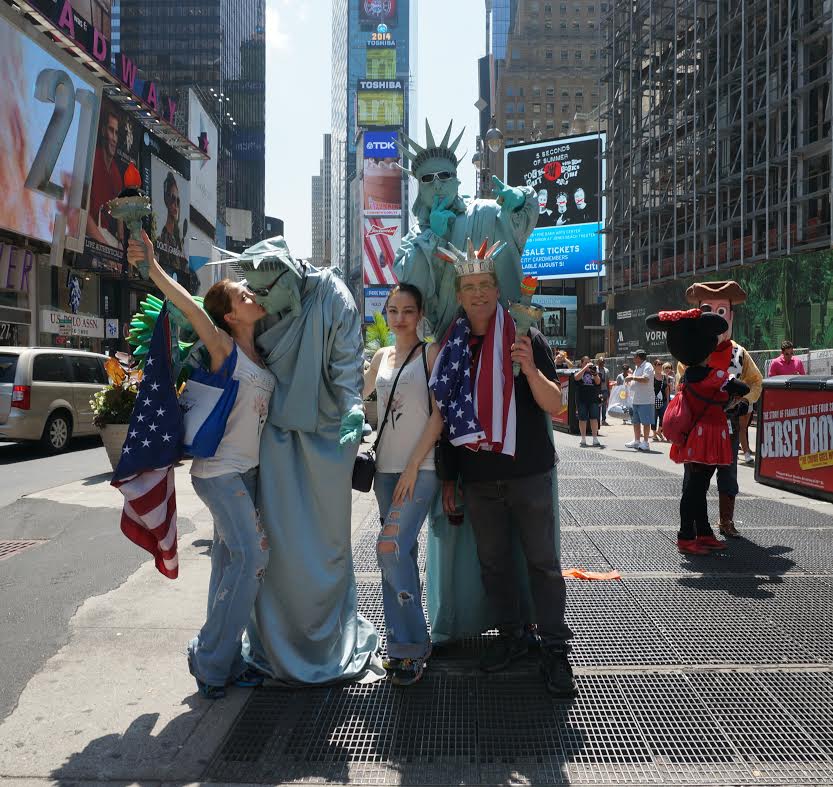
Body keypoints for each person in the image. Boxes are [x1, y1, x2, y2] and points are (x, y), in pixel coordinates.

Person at [394, 121, 561, 646]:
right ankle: (465, 622)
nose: (437, 185)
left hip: (512, 365)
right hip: (452, 369)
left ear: (459, 176)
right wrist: (430, 238)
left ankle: (542, 631)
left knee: (531, 525)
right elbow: (410, 294)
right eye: (427, 179)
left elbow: (524, 221)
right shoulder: (414, 237)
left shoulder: (487, 213)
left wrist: (520, 199)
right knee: (463, 513)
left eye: (445, 175)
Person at [127, 231, 275, 699]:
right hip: (220, 473)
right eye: (242, 295)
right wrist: (153, 268)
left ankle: (227, 660)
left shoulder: (261, 353)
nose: (251, 296)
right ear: (229, 316)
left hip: (247, 473)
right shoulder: (225, 348)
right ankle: (209, 658)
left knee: (229, 564)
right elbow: (190, 309)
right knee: (254, 557)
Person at [231, 237, 381, 684]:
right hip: (274, 436)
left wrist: (353, 407)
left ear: (290, 275)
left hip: (329, 437)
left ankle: (324, 640)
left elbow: (347, 364)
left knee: (327, 545)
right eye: (252, 290)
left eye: (265, 290)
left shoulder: (335, 299)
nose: (258, 299)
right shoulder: (257, 300)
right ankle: (274, 641)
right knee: (277, 545)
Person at [432, 239, 576, 699]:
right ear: (459, 295)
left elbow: (556, 405)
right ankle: (512, 635)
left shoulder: (525, 336)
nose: (477, 294)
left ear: (497, 290)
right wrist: (449, 476)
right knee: (493, 564)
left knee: (543, 564)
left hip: (529, 471)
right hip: (478, 477)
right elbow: (445, 414)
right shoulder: (452, 344)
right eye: (469, 286)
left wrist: (530, 370)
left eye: (485, 285)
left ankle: (555, 647)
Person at [362, 284, 444, 686]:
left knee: (388, 549)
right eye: (393, 310)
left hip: (421, 468)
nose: (399, 318)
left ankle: (413, 644)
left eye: (408, 310)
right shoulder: (381, 356)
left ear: (420, 314)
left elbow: (439, 415)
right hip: (384, 470)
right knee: (399, 556)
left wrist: (413, 466)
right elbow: (357, 399)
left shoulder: (430, 353)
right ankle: (400, 642)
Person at [647, 309, 749, 555]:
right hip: (710, 438)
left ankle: (703, 532)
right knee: (695, 490)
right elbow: (743, 387)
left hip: (693, 438)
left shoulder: (687, 377)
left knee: (696, 487)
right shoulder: (717, 376)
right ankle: (685, 536)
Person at [681, 281, 762, 536]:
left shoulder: (739, 353)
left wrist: (745, 402)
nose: (716, 319)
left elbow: (755, 381)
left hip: (728, 426)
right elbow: (683, 384)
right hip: (699, 426)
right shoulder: (691, 352)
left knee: (728, 472)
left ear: (731, 316)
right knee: (695, 476)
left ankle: (726, 520)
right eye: (708, 311)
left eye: (722, 312)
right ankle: (694, 525)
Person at [87, 108, 123, 245]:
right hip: (84, 233)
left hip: (103, 236)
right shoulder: (92, 160)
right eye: (110, 130)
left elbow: (119, 211)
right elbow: (81, 213)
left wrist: (121, 242)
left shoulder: (116, 173)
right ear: (103, 131)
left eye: (116, 133)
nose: (114, 138)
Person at [625, 349, 654, 451]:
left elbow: (646, 379)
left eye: (634, 356)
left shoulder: (648, 366)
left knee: (646, 422)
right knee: (635, 422)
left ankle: (645, 442)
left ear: (638, 357)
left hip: (645, 400)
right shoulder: (637, 367)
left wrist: (632, 377)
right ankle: (637, 441)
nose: (633, 358)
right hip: (636, 400)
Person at [157, 172, 185, 273]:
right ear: (166, 199)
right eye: (172, 199)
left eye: (178, 201)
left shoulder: (179, 241)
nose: (175, 205)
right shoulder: (161, 238)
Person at [574, 356, 603, 448]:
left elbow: (598, 382)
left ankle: (595, 438)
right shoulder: (578, 371)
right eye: (585, 363)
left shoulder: (594, 371)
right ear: (581, 363)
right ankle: (583, 438)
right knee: (582, 419)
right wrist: (585, 369)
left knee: (594, 418)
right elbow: (576, 378)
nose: (587, 364)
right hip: (582, 399)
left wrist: (595, 373)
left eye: (589, 362)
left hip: (593, 398)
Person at [651, 358, 670, 441]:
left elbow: (667, 389)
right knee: (654, 417)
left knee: (664, 417)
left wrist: (668, 400)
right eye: (658, 364)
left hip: (664, 400)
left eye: (661, 364)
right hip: (653, 400)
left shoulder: (664, 376)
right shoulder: (651, 376)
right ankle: (654, 434)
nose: (660, 366)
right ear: (654, 366)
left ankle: (659, 431)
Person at [597, 355, 610, 425]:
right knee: (597, 405)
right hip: (597, 390)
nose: (602, 363)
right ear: (598, 362)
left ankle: (603, 420)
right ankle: (597, 419)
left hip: (604, 390)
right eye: (600, 362)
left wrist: (608, 391)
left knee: (604, 406)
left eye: (603, 362)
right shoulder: (595, 369)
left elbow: (607, 381)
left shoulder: (606, 370)